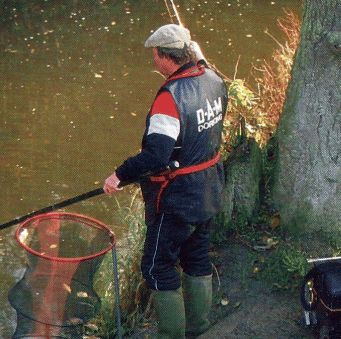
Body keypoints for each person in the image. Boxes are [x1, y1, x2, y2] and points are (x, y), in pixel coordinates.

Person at [103, 24, 228, 339]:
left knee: (158, 268)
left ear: (164, 57)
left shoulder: (169, 99)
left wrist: (120, 174)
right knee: (196, 256)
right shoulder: (213, 80)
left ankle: (172, 335)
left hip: (177, 200)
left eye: (154, 55)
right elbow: (205, 70)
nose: (154, 61)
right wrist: (198, 56)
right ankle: (200, 329)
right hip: (210, 188)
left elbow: (157, 155)